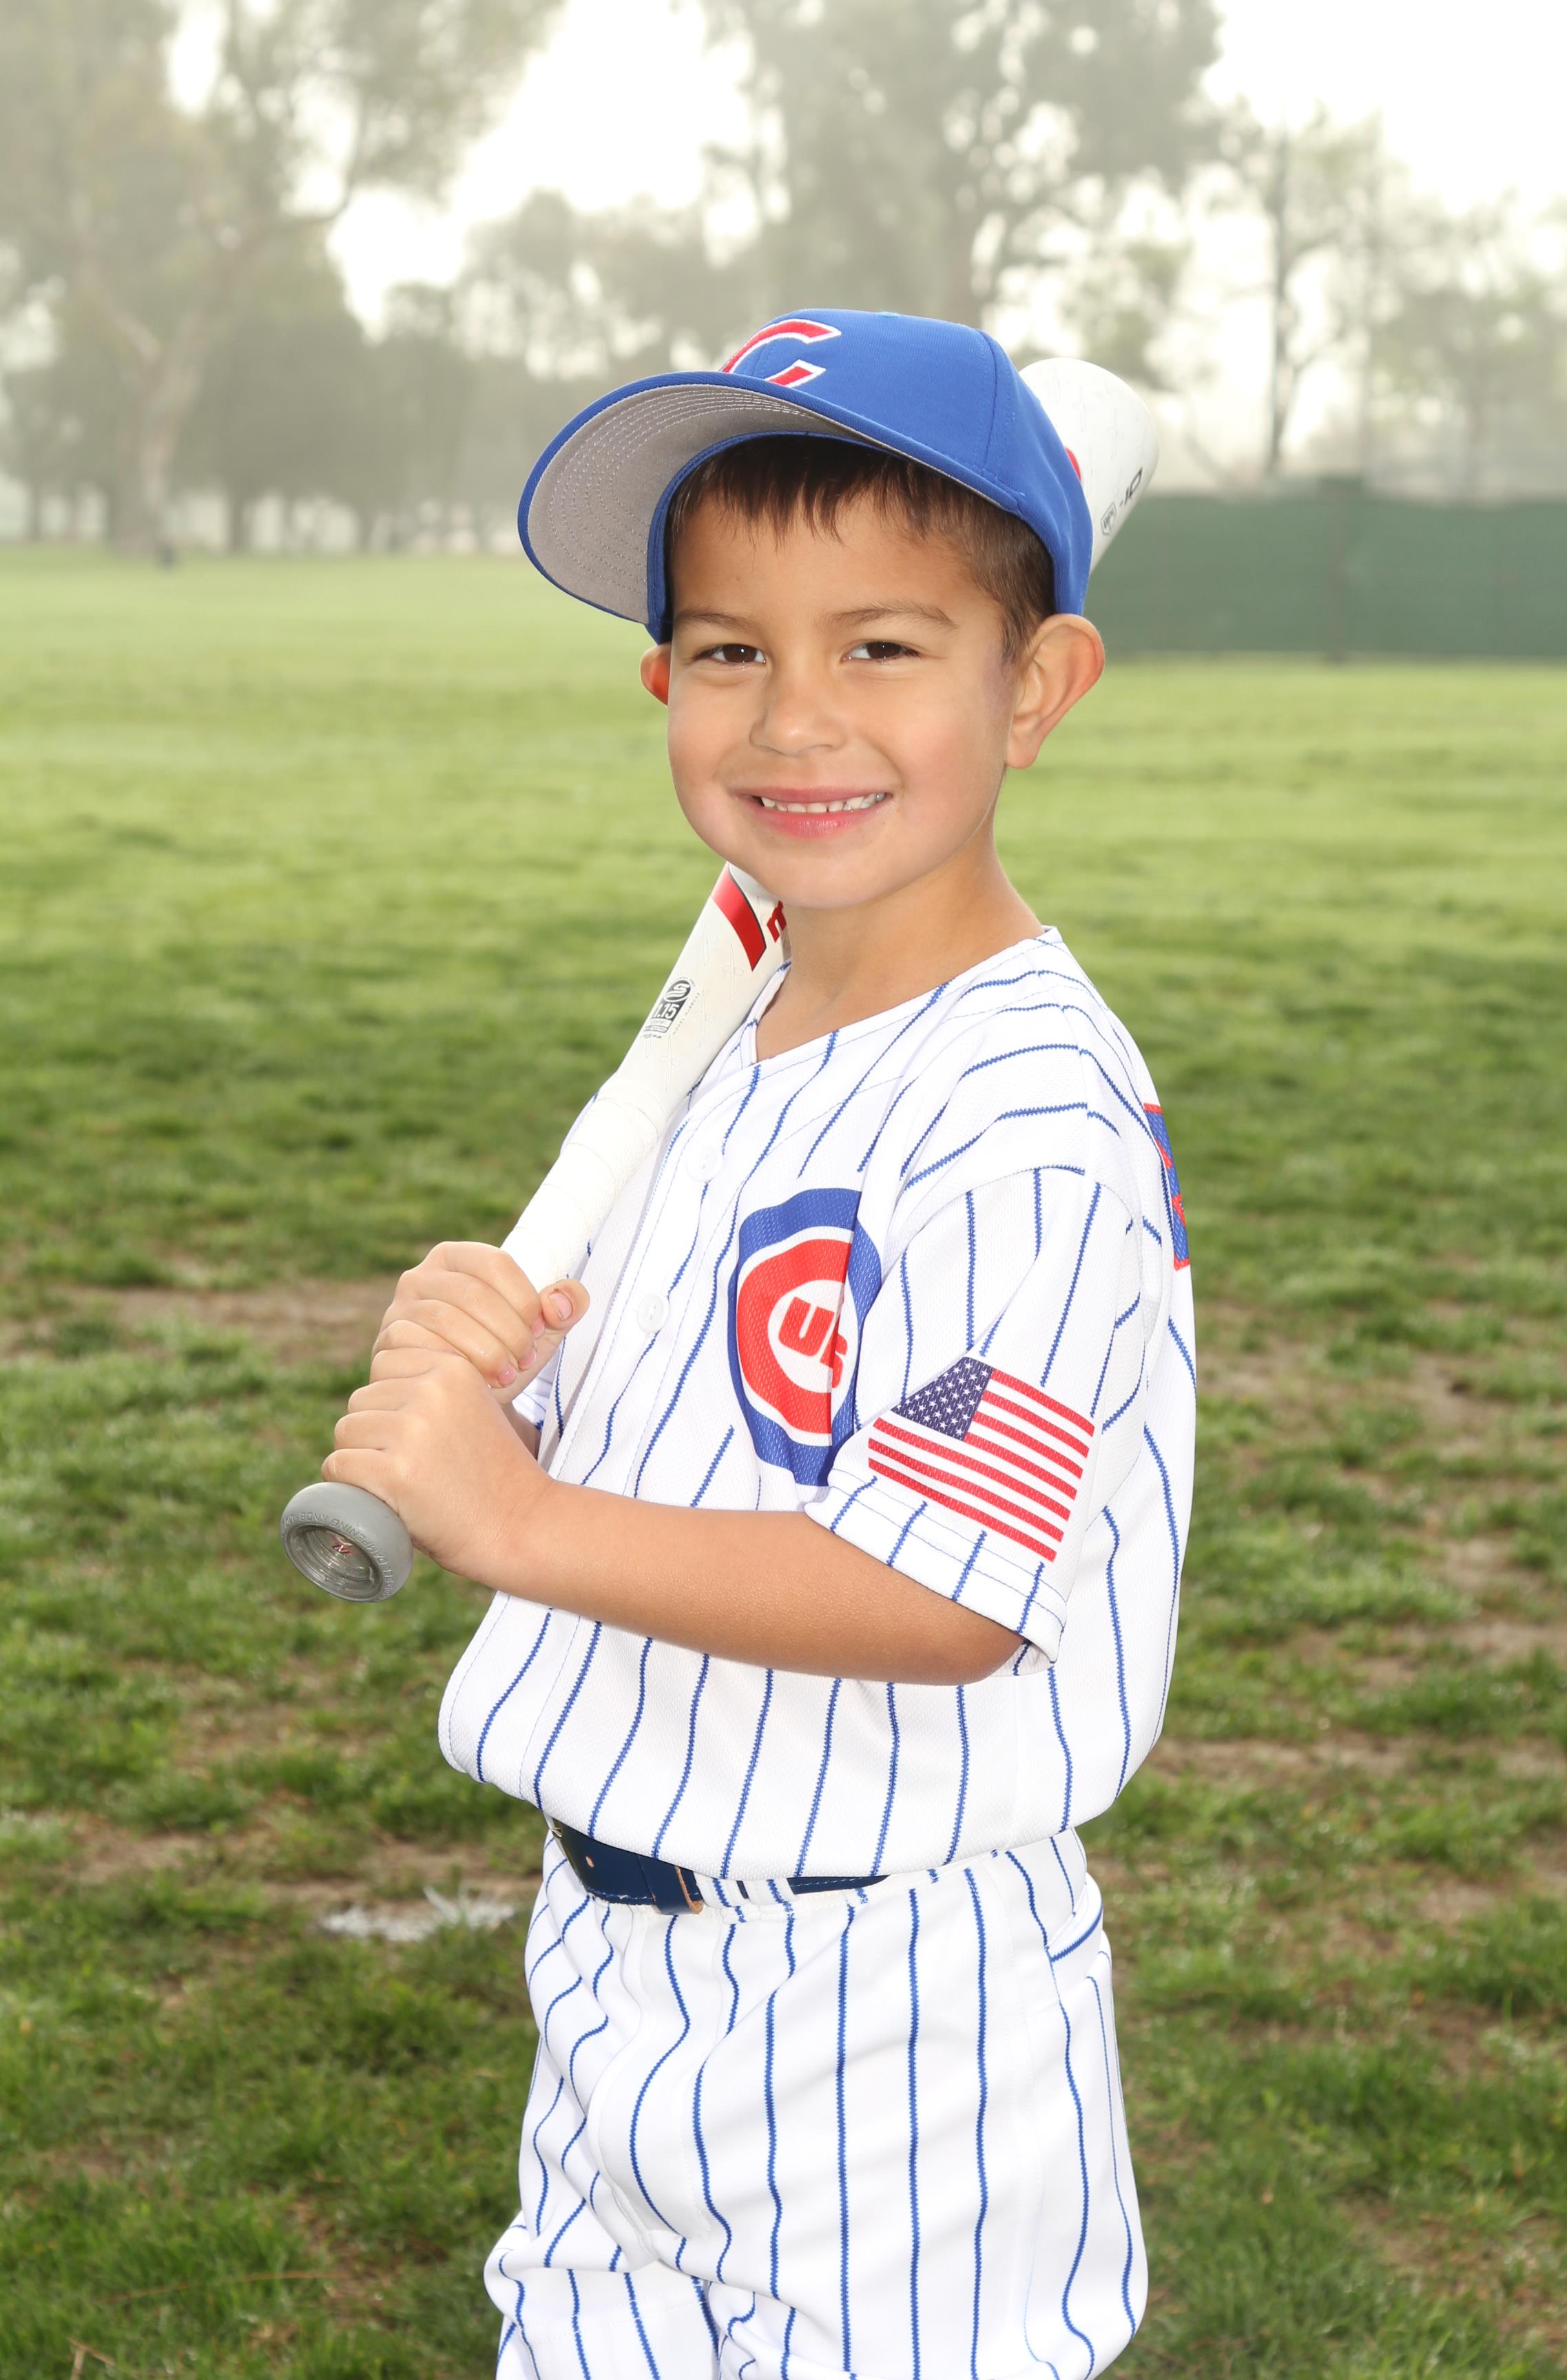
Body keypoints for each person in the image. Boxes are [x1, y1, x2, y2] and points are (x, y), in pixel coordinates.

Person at [324, 309, 1194, 2379]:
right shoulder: (747, 1022)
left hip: (891, 2018)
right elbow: (704, 1412)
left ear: (1036, 688)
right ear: (663, 684)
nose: (796, 718)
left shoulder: (1025, 1118)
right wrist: (509, 1369)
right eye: (730, 650)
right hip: (620, 1967)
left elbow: (941, 1588)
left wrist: (515, 1523)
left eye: (881, 646)